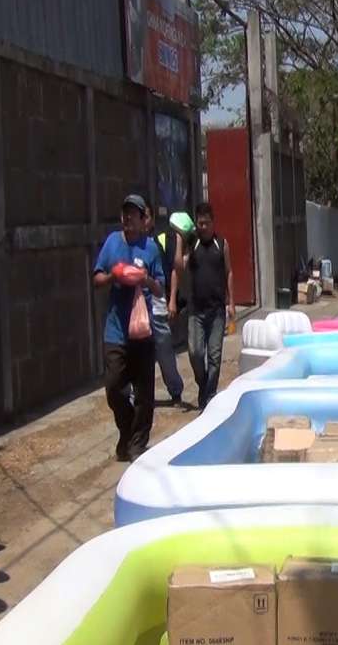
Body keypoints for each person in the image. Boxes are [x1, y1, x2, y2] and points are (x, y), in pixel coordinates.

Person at [93, 195, 165, 461]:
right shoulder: (112, 242)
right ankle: (127, 430)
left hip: (143, 332)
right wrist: (113, 276)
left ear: (143, 219)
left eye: (133, 214)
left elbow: (160, 288)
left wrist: (145, 280)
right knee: (114, 388)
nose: (128, 218)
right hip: (116, 331)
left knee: (145, 394)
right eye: (125, 213)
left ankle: (136, 445)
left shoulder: (151, 248)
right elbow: (97, 278)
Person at [174, 202, 234, 410]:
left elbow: (229, 272)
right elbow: (179, 267)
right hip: (196, 311)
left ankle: (209, 396)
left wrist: (231, 302)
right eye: (200, 223)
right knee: (195, 353)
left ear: (213, 222)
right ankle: (203, 384)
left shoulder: (221, 244)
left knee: (214, 356)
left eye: (207, 223)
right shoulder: (193, 244)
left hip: (217, 310)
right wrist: (180, 241)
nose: (203, 227)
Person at [147, 210, 184, 405]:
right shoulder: (130, 244)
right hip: (137, 308)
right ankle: (139, 394)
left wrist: (172, 300)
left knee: (164, 352)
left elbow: (174, 270)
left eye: (145, 216)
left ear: (152, 219)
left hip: (158, 305)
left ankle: (175, 389)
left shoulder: (159, 240)